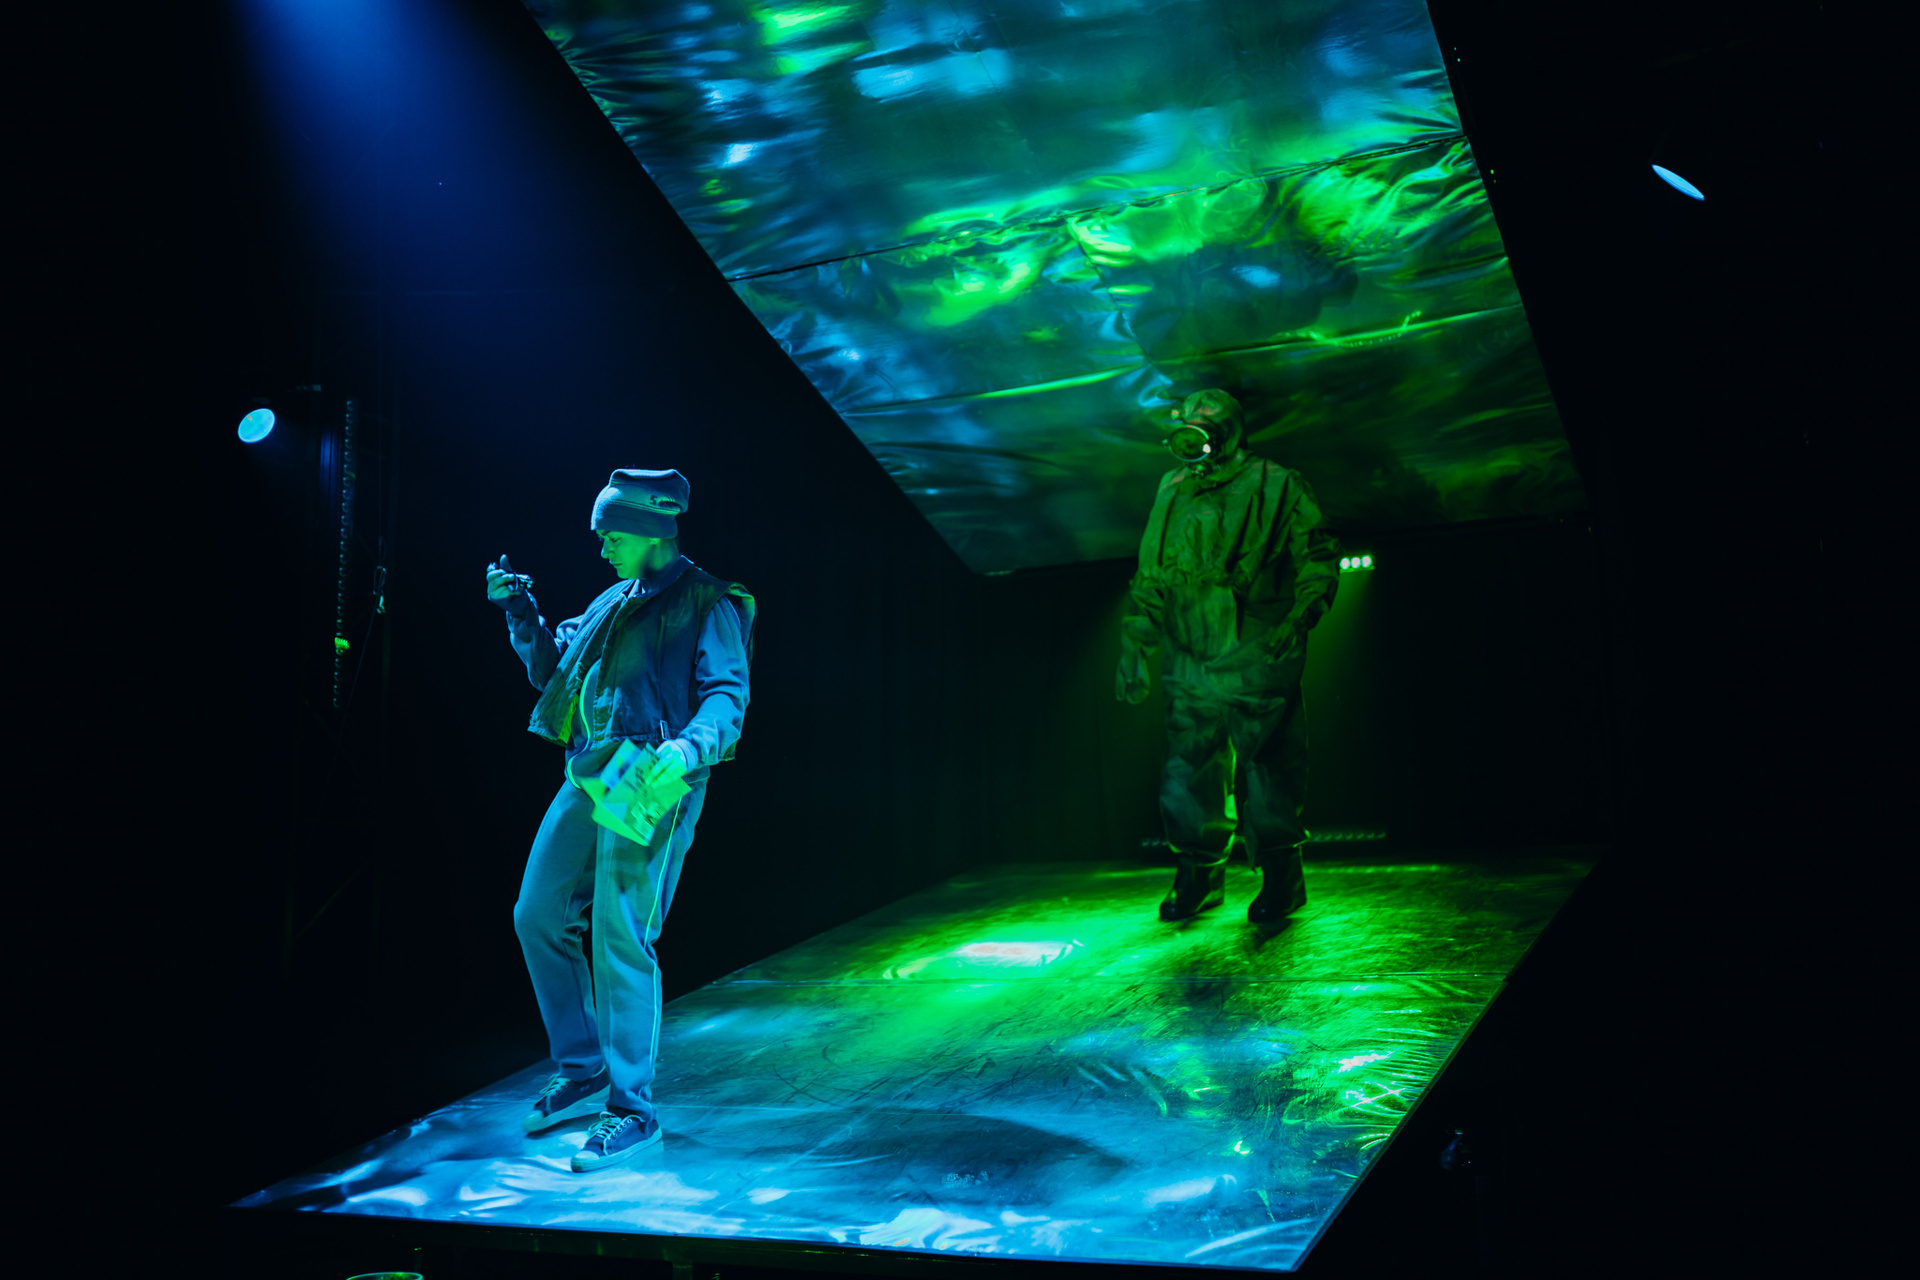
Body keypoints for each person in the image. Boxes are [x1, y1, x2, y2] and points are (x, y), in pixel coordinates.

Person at [486, 467, 753, 1171]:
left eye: (611, 532)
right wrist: (521, 612)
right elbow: (555, 674)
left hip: (649, 774)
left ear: (649, 531)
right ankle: (583, 1069)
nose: (601, 544)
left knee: (619, 932)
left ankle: (634, 1109)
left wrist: (687, 748)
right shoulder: (613, 599)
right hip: (594, 767)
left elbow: (727, 697)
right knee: (537, 914)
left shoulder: (707, 600)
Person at [1116, 389, 1340, 923]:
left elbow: (1316, 553)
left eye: (1209, 419)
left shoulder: (1276, 483)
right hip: (1188, 647)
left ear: (1233, 427)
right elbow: (1152, 573)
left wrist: (1298, 618)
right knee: (1187, 762)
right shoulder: (1172, 487)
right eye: (1191, 419)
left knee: (1268, 759)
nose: (1198, 428)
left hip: (1254, 644)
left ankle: (1282, 875)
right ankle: (1199, 873)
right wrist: (1135, 645)